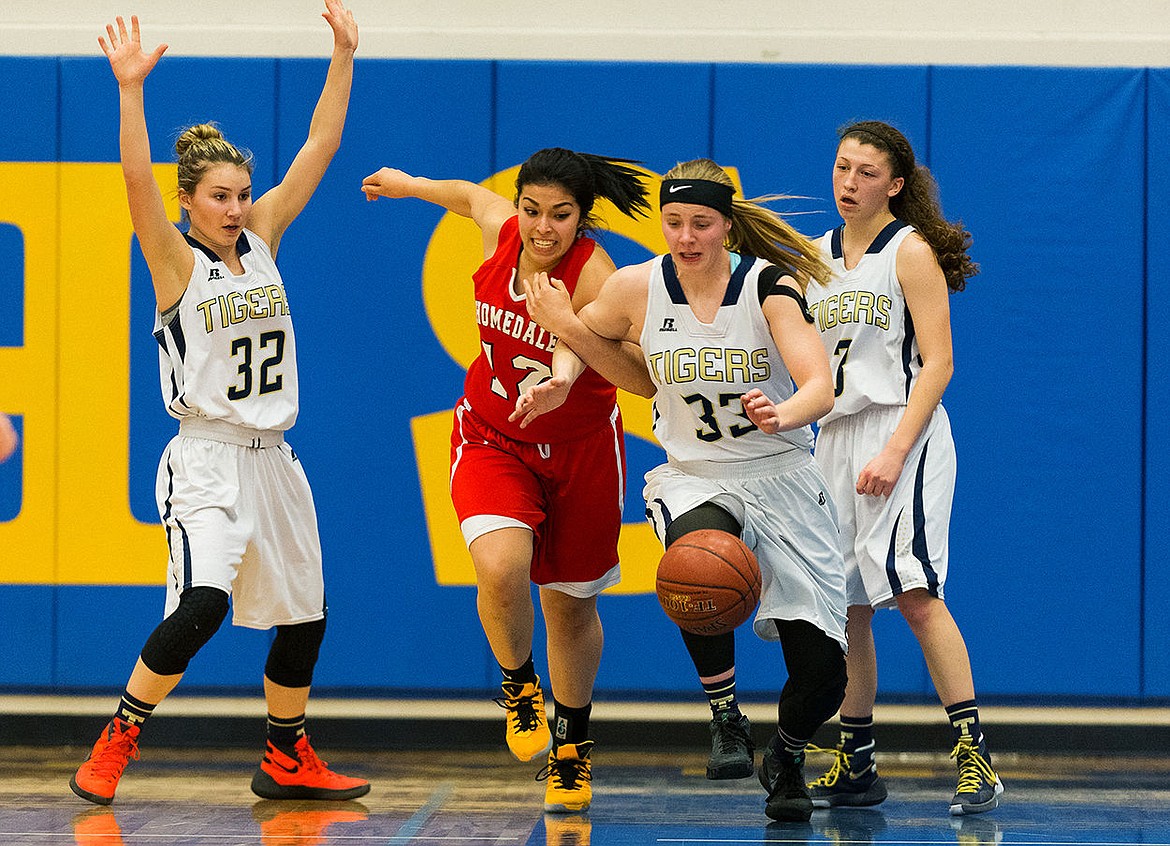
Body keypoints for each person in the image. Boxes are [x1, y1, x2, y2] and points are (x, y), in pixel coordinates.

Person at [72, 4, 368, 806]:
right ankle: (119, 735)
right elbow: (136, 182)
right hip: (205, 457)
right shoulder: (174, 261)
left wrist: (342, 55)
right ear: (191, 201)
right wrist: (131, 92)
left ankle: (285, 758)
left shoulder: (264, 237)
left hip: (275, 457)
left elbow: (319, 149)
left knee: (305, 616)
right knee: (201, 605)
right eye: (220, 196)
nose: (236, 208)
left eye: (241, 193)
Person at [512, 158, 849, 823]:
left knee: (824, 675)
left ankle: (784, 754)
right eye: (673, 222)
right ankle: (725, 714)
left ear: (726, 224)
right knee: (698, 557)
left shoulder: (768, 287)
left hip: (780, 475)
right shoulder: (638, 286)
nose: (686, 236)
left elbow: (818, 381)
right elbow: (606, 351)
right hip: (694, 474)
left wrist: (789, 411)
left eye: (700, 223)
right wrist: (562, 369)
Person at [360, 149, 652, 814]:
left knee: (571, 605)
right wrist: (411, 182)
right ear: (518, 205)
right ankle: (520, 686)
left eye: (561, 215)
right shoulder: (502, 233)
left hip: (579, 448)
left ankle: (572, 746)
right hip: (494, 437)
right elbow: (467, 194)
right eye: (532, 210)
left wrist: (564, 374)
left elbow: (598, 355)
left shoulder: (596, 274)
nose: (543, 227)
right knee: (500, 568)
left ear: (582, 217)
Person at [802, 120, 1001, 816]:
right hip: (836, 435)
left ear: (894, 184)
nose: (848, 182)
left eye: (864, 172)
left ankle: (975, 754)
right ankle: (856, 762)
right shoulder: (813, 256)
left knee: (913, 593)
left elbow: (939, 363)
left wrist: (894, 450)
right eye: (840, 168)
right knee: (845, 605)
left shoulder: (908, 252)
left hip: (901, 429)